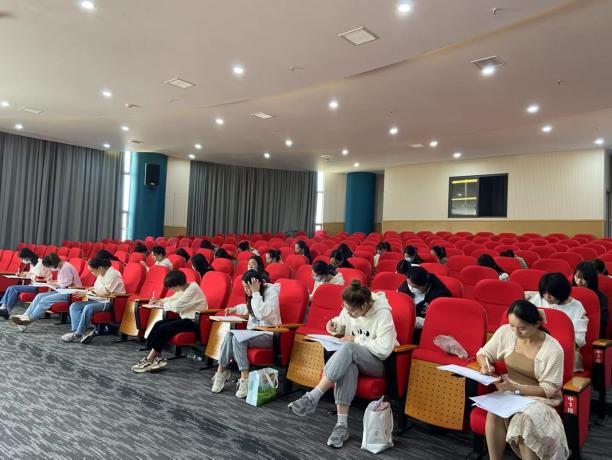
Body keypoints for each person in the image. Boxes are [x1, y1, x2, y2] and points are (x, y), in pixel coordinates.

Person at [288, 281, 397, 449]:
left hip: (377, 363)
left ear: (364, 306)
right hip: (354, 358)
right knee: (349, 366)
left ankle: (313, 396)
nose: (348, 312)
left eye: (351, 310)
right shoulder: (351, 308)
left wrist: (356, 339)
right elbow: (341, 321)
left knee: (349, 348)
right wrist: (334, 325)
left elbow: (384, 349)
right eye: (345, 308)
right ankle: (341, 426)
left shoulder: (383, 314)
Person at [476, 300, 568, 460]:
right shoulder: (506, 332)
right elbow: (483, 353)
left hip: (540, 397)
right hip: (511, 391)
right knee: (494, 412)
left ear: (537, 324)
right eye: (512, 326)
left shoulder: (553, 349)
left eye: (522, 328)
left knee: (524, 422)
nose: (516, 332)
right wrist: (485, 366)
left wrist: (515, 388)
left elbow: (548, 390)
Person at [211, 270, 281, 397]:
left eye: (248, 287)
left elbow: (262, 313)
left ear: (257, 284)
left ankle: (245, 377)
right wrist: (235, 309)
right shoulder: (254, 294)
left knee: (238, 338)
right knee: (230, 334)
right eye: (244, 287)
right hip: (252, 333)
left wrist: (255, 292)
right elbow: (249, 307)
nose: (246, 290)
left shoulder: (271, 293)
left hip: (269, 334)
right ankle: (221, 370)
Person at [132, 270, 208, 373]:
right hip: (186, 319)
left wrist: (162, 304)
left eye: (171, 287)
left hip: (195, 322)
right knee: (158, 324)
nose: (170, 290)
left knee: (164, 328)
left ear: (177, 285)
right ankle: (158, 357)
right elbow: (173, 298)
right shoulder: (184, 287)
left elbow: (177, 306)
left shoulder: (192, 290)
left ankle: (150, 359)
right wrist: (160, 301)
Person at [529, 272, 588, 371]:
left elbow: (578, 340)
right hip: (537, 345)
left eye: (551, 293)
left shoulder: (576, 307)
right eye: (544, 292)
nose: (547, 297)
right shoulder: (538, 299)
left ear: (562, 292)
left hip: (563, 350)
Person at [60, 257, 125, 344]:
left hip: (110, 302)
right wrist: (87, 290)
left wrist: (87, 292)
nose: (91, 273)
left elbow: (106, 291)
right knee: (74, 306)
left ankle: (77, 334)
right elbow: (96, 288)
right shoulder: (101, 274)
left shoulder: (114, 274)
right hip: (98, 299)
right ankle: (81, 332)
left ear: (99, 268)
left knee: (88, 307)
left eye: (92, 271)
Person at [10, 253, 81, 329]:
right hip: (63, 291)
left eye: (50, 266)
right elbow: (63, 281)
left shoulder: (66, 268)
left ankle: (30, 319)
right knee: (39, 296)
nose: (50, 269)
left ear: (53, 264)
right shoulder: (62, 266)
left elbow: (65, 285)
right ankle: (25, 315)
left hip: (70, 293)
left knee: (45, 300)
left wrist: (52, 283)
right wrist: (52, 282)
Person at [398, 266, 451, 341]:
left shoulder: (439, 295)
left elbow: (440, 320)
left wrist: (419, 322)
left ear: (425, 284)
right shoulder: (408, 284)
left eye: (414, 286)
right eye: (409, 284)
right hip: (405, 324)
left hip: (426, 330)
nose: (410, 288)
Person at [0, 248, 52, 319]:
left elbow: (39, 277)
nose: (22, 261)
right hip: (33, 284)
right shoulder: (33, 263)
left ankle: (7, 311)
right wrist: (24, 274)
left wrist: (29, 275)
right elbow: (32, 274)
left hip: (39, 286)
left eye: (22, 259)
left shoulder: (40, 264)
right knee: (10, 288)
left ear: (28, 257)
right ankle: (3, 308)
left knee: (13, 288)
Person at [573, 261, 608, 338]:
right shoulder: (569, 294)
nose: (579, 282)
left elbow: (603, 321)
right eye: (577, 277)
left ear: (592, 279)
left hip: (594, 336)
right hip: (572, 333)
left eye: (584, 278)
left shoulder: (600, 297)